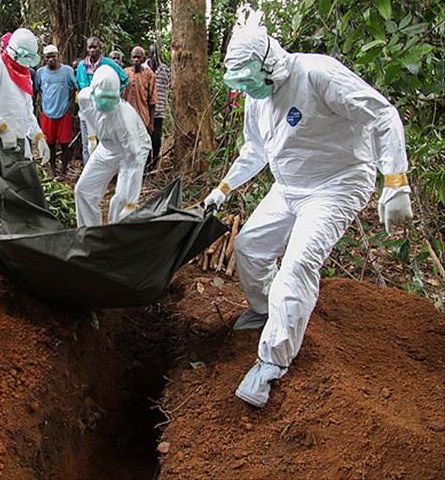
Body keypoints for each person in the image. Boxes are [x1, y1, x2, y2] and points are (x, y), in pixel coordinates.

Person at [201, 23, 413, 408]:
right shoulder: (256, 97)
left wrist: (395, 181)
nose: (248, 88)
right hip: (288, 185)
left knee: (296, 265)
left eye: (251, 79)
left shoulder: (317, 73)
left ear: (270, 62)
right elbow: (254, 151)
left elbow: (381, 115)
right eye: (241, 82)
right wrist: (223, 188)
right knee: (248, 247)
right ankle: (266, 308)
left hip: (337, 183)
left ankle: (271, 362)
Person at [0, 28, 50, 179]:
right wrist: (2, 128)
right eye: (23, 56)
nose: (26, 61)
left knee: (21, 191)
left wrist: (38, 136)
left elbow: (26, 111)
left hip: (17, 144)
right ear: (12, 51)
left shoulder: (24, 75)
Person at [74, 65, 151, 227]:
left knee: (119, 204)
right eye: (102, 97)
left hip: (131, 151)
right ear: (93, 92)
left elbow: (134, 162)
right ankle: (89, 235)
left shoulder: (124, 120)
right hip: (106, 146)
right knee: (83, 190)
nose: (105, 103)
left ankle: (115, 241)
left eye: (111, 99)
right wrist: (92, 138)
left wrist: (131, 202)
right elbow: (88, 116)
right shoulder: (84, 97)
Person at [76, 37, 129, 165]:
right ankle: (88, 174)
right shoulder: (82, 66)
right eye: (90, 47)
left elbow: (124, 79)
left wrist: (113, 95)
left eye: (95, 47)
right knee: (88, 143)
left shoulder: (109, 64)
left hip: (105, 112)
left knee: (106, 143)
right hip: (87, 113)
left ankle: (106, 173)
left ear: (101, 48)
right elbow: (79, 86)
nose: (92, 50)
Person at [35, 44, 78, 177]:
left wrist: (67, 101)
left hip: (63, 113)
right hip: (47, 113)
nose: (50, 59)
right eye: (48, 57)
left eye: (53, 56)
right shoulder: (40, 73)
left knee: (65, 144)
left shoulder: (67, 71)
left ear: (57, 56)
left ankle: (64, 171)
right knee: (50, 144)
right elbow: (37, 89)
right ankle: (53, 170)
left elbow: (75, 87)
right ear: (44, 58)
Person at [122, 46, 158, 136]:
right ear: (131, 58)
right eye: (134, 57)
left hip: (143, 118)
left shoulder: (149, 75)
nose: (136, 60)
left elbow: (152, 100)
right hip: (126, 118)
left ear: (143, 59)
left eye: (139, 57)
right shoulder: (124, 73)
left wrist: (151, 123)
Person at [147, 44, 171, 170]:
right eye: (152, 53)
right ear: (149, 54)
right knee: (145, 138)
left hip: (159, 110)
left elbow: (170, 85)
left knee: (156, 139)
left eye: (157, 53)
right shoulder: (144, 68)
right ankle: (145, 164)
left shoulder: (165, 70)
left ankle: (154, 163)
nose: (155, 56)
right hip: (145, 110)